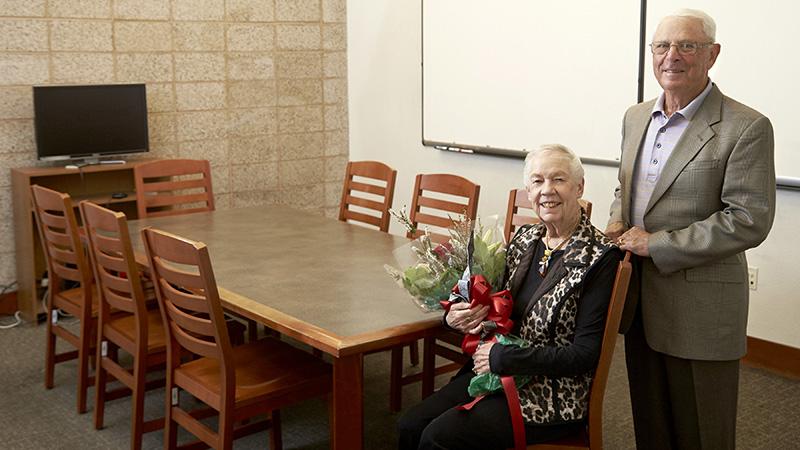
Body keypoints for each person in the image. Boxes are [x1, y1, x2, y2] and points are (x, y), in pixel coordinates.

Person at [606, 9, 775, 450]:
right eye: (662, 46)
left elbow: (748, 219)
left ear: (712, 55)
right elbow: (626, 186)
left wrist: (655, 243)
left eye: (687, 46)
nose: (671, 56)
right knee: (651, 424)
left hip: (701, 307)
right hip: (639, 299)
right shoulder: (635, 116)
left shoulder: (746, 126)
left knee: (703, 432)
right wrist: (615, 222)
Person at [398, 144, 622, 449]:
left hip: (549, 393)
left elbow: (584, 354)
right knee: (410, 425)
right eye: (538, 181)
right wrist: (455, 316)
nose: (547, 190)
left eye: (558, 179)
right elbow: (491, 307)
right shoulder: (524, 239)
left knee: (438, 438)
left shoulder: (599, 258)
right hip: (496, 373)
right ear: (528, 190)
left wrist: (503, 357)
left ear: (579, 187)